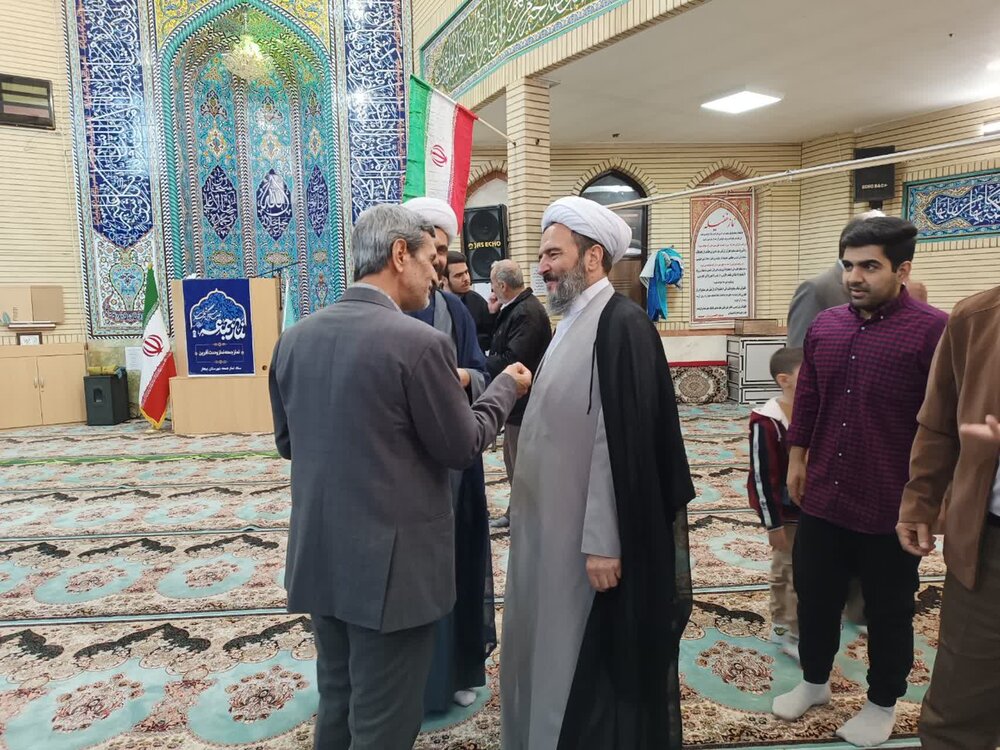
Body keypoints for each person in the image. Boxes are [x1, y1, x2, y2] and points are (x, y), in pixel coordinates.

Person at [268, 204, 530, 750]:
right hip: (393, 574)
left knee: (338, 702)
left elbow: (289, 444)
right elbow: (462, 445)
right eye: (431, 261)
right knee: (384, 722)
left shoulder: (294, 339)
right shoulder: (418, 343)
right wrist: (504, 386)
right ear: (399, 254)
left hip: (320, 555)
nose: (436, 276)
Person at [500, 196, 694, 750]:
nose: (542, 266)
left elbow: (623, 446)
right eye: (541, 255)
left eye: (553, 254)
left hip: (583, 545)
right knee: (543, 644)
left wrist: (605, 543)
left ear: (592, 257)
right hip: (550, 530)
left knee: (575, 659)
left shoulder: (621, 325)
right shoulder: (572, 321)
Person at [772, 216, 947, 748]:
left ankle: (881, 703)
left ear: (902, 269)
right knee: (815, 597)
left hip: (890, 503)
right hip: (825, 493)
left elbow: (942, 422)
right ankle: (814, 681)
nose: (854, 277)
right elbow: (809, 398)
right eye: (848, 265)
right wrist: (797, 457)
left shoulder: (934, 331)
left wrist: (929, 501)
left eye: (870, 266)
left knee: (888, 610)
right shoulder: (827, 326)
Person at [403, 196, 496, 713]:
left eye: (443, 250)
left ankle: (455, 670)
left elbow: (480, 371)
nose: (439, 259)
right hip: (402, 467)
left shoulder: (454, 309)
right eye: (431, 249)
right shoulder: (387, 307)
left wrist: (457, 376)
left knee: (457, 562)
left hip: (455, 462)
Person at [896, 284, 1000, 750]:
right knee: (958, 712)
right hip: (989, 549)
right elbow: (939, 422)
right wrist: (920, 501)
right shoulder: (979, 318)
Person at [485, 259, 552, 529]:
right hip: (515, 405)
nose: (491, 290)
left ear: (502, 285)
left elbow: (514, 359)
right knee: (513, 462)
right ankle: (515, 513)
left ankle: (526, 519)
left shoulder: (526, 313)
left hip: (525, 404)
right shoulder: (515, 308)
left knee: (522, 466)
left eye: (493, 285)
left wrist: (477, 364)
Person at [747, 346, 803, 661]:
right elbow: (761, 475)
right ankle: (795, 634)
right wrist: (773, 523)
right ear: (784, 380)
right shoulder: (766, 422)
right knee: (794, 571)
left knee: (788, 566)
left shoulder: (812, 410)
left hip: (811, 509)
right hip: (784, 512)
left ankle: (782, 620)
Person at [445, 250, 495, 354]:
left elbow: (492, 336)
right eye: (458, 275)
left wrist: (495, 313)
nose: (466, 278)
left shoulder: (476, 301)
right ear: (444, 279)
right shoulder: (433, 304)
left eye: (466, 272)